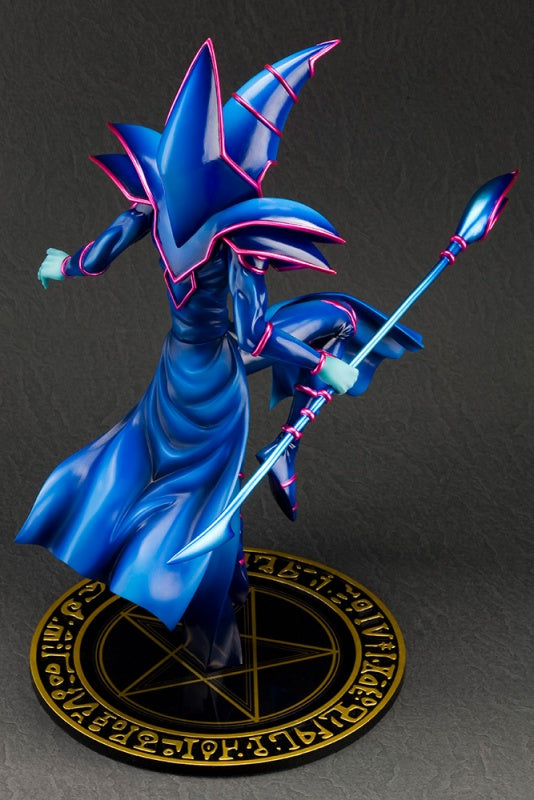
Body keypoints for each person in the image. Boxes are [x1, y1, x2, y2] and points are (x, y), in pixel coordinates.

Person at [16, 40, 422, 669]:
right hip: (214, 383)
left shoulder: (152, 204)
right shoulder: (237, 240)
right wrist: (325, 366)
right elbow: (256, 336)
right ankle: (215, 631)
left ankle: (251, 526)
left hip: (173, 374)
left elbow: (94, 259)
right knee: (211, 494)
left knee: (183, 467)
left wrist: (60, 265)